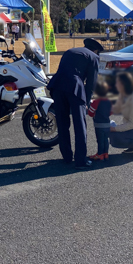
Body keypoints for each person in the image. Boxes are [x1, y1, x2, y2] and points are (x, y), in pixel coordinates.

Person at [47, 38, 103, 169]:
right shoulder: (94, 57)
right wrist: (87, 101)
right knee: (79, 125)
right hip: (75, 88)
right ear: (96, 50)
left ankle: (66, 156)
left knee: (62, 123)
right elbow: (91, 83)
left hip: (57, 86)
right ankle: (80, 160)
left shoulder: (70, 51)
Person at [87, 82, 112, 161]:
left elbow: (90, 113)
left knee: (100, 140)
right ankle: (106, 154)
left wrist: (88, 108)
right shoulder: (109, 101)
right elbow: (111, 112)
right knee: (106, 140)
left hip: (99, 124)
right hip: (107, 123)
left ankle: (100, 154)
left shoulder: (96, 101)